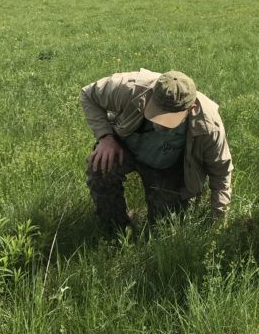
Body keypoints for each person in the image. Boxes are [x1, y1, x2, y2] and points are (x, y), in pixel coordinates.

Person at [80, 69, 232, 232]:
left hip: (168, 166)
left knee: (164, 228)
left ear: (191, 108)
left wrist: (218, 220)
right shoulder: (130, 88)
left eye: (168, 120)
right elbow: (88, 94)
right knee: (102, 167)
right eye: (156, 113)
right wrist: (106, 137)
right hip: (125, 146)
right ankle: (116, 231)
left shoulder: (209, 126)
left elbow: (221, 173)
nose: (159, 124)